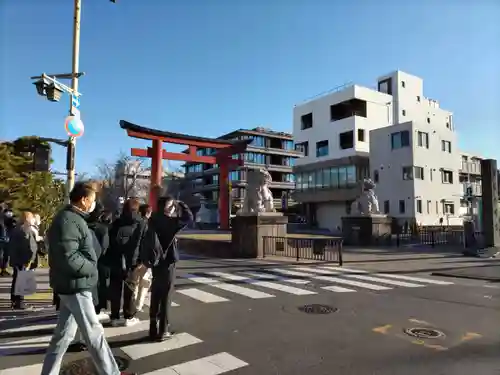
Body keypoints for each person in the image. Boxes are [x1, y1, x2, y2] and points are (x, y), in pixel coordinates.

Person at [40, 181, 135, 375]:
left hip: (71, 284)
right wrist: (91, 268)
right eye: (92, 200)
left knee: (63, 336)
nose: (93, 204)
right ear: (84, 200)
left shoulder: (73, 218)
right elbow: (69, 257)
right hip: (76, 285)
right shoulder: (69, 220)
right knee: (94, 334)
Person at [141, 195, 192, 341]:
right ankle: (163, 330)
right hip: (168, 261)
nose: (173, 209)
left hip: (156, 262)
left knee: (156, 294)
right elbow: (189, 218)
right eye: (171, 206)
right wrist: (181, 203)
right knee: (166, 296)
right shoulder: (171, 222)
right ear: (166, 207)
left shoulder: (152, 220)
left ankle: (152, 327)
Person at [106, 198, 147, 327]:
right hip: (133, 262)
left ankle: (114, 316)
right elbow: (145, 244)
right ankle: (129, 316)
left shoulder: (116, 223)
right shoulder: (141, 223)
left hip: (116, 259)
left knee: (115, 290)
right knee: (130, 290)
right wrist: (142, 260)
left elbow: (110, 242)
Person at [9, 211, 38, 310]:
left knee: (16, 279)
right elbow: (28, 246)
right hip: (23, 259)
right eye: (31, 218)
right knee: (21, 280)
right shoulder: (25, 230)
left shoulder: (17, 229)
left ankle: (14, 300)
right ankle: (19, 302)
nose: (33, 220)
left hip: (17, 258)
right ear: (27, 219)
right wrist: (29, 260)